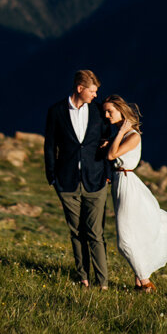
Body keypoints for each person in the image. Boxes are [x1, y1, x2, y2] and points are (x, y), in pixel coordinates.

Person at [103, 96, 167, 291]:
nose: (107, 116)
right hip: (119, 184)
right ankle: (140, 284)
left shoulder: (132, 135)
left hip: (128, 185)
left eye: (110, 112)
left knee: (124, 240)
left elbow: (111, 155)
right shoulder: (121, 135)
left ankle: (146, 280)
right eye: (105, 112)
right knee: (133, 233)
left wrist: (119, 134)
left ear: (121, 111)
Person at [43, 69, 112, 289]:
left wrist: (107, 174)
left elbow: (106, 141)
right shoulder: (56, 111)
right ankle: (83, 279)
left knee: (95, 233)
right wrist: (52, 177)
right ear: (80, 89)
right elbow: (49, 145)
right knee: (76, 232)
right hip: (67, 182)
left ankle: (102, 283)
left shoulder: (100, 112)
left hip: (96, 181)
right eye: (92, 91)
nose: (95, 95)